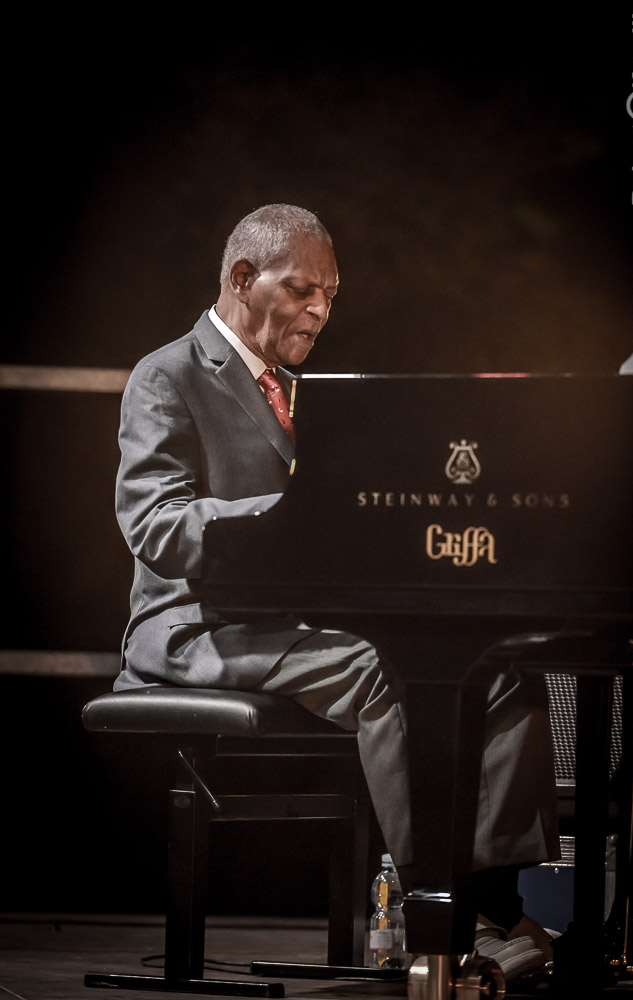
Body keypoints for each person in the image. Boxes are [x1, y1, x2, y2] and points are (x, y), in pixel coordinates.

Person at [114, 203, 559, 977]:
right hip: (196, 623)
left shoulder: (303, 391)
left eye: (331, 294)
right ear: (243, 278)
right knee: (384, 668)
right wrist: (294, 514)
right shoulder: (169, 373)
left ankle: (489, 891)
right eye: (302, 289)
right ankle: (438, 905)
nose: (319, 310)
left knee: (492, 666)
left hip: (292, 622)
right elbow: (156, 525)